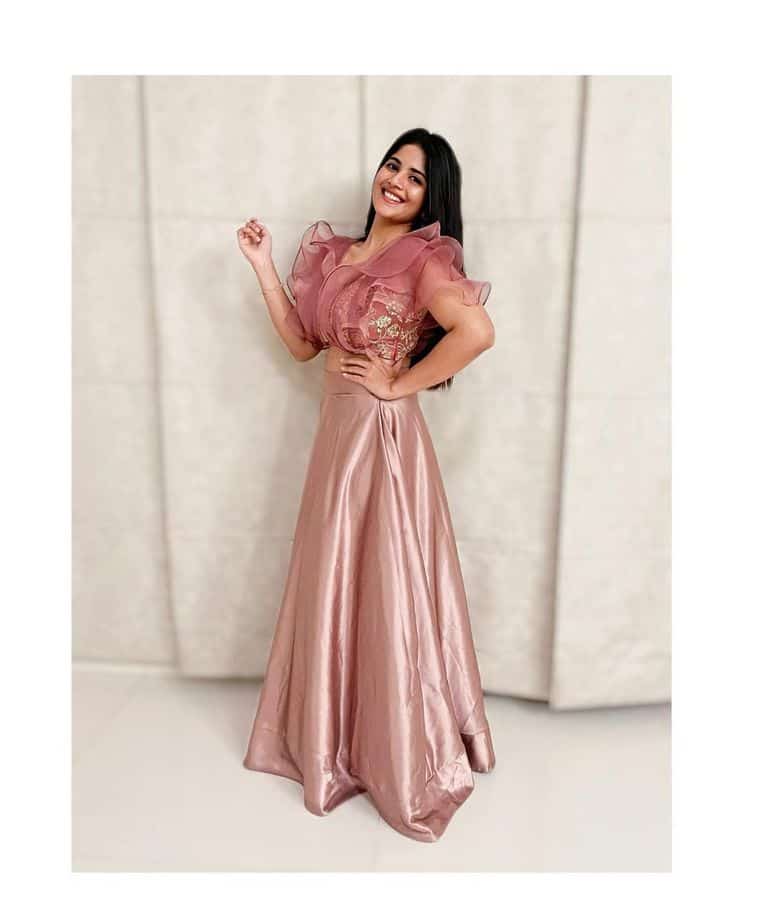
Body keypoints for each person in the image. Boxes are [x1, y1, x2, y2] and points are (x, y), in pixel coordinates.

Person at [237, 128, 496, 843]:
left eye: (415, 178)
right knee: (337, 575)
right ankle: (336, 732)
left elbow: (476, 332)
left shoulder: (425, 259)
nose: (397, 181)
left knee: (386, 580)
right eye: (393, 165)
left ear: (429, 198)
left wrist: (398, 385)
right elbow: (302, 345)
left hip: (381, 437)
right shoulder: (337, 255)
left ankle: (396, 742)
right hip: (336, 438)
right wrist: (262, 265)